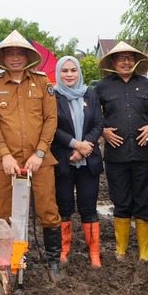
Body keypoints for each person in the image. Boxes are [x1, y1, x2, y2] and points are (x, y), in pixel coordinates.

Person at [0, 31, 63, 281]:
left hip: (40, 160)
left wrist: (39, 153)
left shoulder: (42, 83)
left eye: (19, 53)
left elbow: (51, 120)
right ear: (3, 58)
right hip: (6, 162)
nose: (15, 58)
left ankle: (53, 261)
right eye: (10, 54)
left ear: (28, 57)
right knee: (3, 212)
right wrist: (4, 155)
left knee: (48, 210)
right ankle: (5, 263)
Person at [95, 41, 148, 262]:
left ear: (136, 61)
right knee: (120, 200)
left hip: (143, 153)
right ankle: (121, 248)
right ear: (113, 62)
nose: (126, 62)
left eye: (130, 58)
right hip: (116, 153)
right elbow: (94, 118)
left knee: (144, 200)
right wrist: (103, 131)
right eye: (121, 58)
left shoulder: (146, 84)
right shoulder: (102, 87)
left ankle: (144, 250)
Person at [51, 56, 104, 268]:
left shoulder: (90, 94)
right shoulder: (52, 96)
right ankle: (64, 249)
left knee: (88, 207)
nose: (70, 74)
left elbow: (99, 123)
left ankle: (94, 253)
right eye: (65, 71)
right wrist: (74, 145)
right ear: (58, 73)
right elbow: (52, 128)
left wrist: (83, 148)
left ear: (79, 72)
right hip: (63, 160)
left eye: (73, 70)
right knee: (64, 207)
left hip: (88, 160)